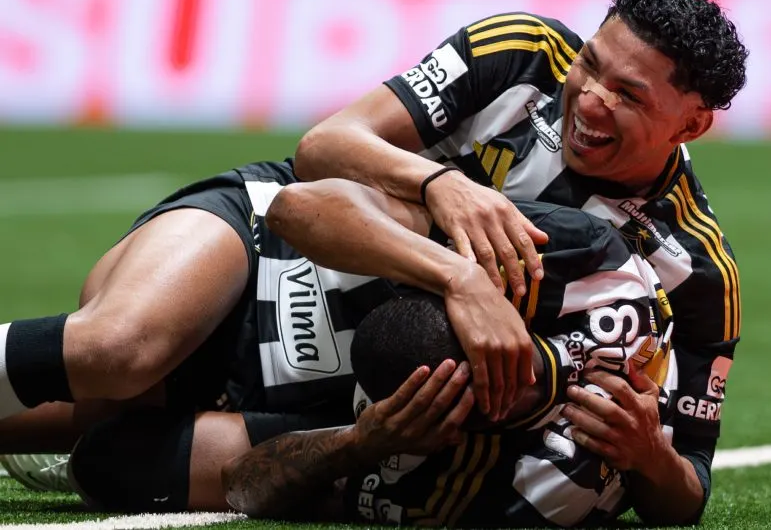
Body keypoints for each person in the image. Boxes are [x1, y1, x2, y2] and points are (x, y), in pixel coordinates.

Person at [290, 0, 748, 523]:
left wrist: (649, 456)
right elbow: (320, 152)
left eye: (628, 95)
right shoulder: (520, 55)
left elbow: (688, 493)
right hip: (295, 268)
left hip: (394, 400)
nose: (591, 100)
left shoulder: (695, 267)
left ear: (692, 124)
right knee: (153, 349)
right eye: (591, 64)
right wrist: (441, 184)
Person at [0, 164, 678, 520]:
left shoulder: (516, 486)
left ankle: (76, 414)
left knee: (104, 459)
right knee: (120, 353)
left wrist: (361, 444)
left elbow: (245, 485)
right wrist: (456, 275)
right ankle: (99, 383)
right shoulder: (579, 264)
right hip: (259, 251)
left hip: (274, 410)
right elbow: (297, 206)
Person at [222, 289, 687, 528]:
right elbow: (237, 484)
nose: (509, 386)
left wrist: (653, 459)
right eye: (478, 384)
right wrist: (360, 443)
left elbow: (234, 481)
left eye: (497, 364)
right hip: (302, 316)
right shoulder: (426, 470)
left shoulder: (566, 269)